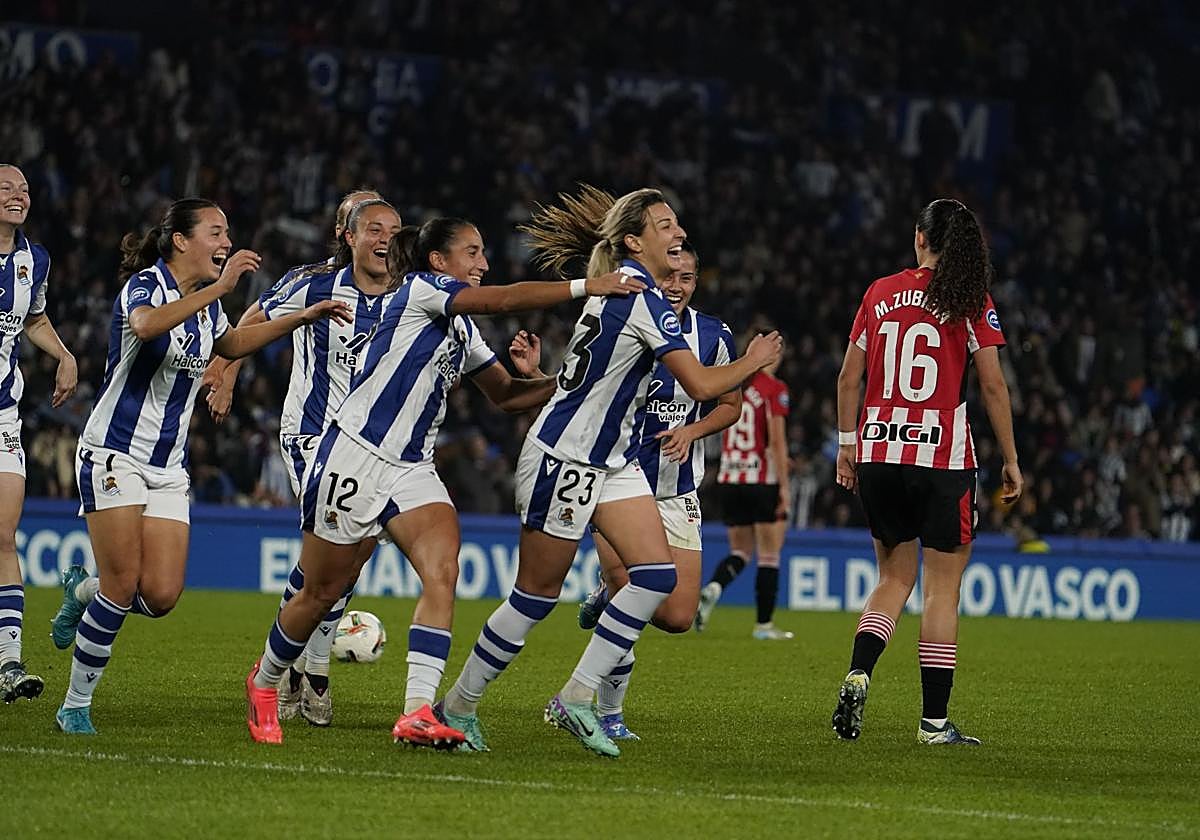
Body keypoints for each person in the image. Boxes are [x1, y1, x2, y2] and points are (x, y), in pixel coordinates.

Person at [244, 216, 644, 748]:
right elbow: (502, 300)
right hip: (354, 456)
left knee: (442, 570)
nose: (483, 264)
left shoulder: (459, 324)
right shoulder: (421, 291)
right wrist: (587, 286)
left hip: (412, 467)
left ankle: (417, 711)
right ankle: (265, 680)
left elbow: (506, 396)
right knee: (320, 591)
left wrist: (561, 380)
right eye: (472, 253)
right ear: (439, 261)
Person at [438, 185, 782, 758]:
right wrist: (753, 360)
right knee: (535, 597)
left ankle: (576, 697)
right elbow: (699, 384)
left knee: (654, 577)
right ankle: (458, 705)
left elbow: (591, 375)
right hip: (566, 456)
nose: (678, 233)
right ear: (634, 241)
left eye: (677, 224)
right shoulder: (638, 297)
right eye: (665, 225)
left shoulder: (626, 287)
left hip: (614, 459)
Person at [48, 198, 351, 735]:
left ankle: (79, 593)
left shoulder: (208, 308)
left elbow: (231, 342)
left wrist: (299, 318)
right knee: (122, 585)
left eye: (227, 233)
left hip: (167, 466)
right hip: (114, 452)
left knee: (160, 595)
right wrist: (219, 289)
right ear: (181, 241)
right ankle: (75, 704)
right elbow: (144, 328)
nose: (226, 242)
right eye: (215, 232)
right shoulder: (146, 286)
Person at [831, 198, 1022, 745]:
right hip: (940, 457)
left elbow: (849, 378)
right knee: (941, 591)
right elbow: (991, 386)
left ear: (919, 238)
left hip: (878, 451)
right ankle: (934, 724)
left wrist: (847, 446)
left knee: (892, 578)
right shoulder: (968, 300)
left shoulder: (880, 292)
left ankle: (860, 671)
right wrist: (1010, 459)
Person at [203, 192, 392, 727]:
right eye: (364, 221)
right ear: (345, 231)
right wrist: (227, 373)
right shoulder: (311, 281)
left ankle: (294, 667)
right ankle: (307, 672)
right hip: (311, 434)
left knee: (353, 555)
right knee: (326, 554)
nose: (379, 236)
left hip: (371, 445)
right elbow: (252, 320)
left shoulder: (403, 290)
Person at [563, 240, 740, 740]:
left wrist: (692, 431)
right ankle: (608, 712)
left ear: (696, 283)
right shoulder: (626, 318)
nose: (676, 286)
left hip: (677, 489)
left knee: (679, 616)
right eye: (670, 276)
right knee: (631, 594)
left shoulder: (712, 335)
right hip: (616, 479)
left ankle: (604, 595)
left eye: (686, 279)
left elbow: (730, 404)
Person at [0, 164, 77, 704]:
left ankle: (8, 662)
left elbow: (33, 318)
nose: (17, 196)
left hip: (3, 413)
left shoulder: (36, 259)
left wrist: (64, 354)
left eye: (24, 189)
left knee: (3, 536)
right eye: (5, 188)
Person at [694, 336, 793, 639]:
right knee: (769, 555)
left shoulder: (731, 382)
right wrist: (785, 488)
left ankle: (714, 586)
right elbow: (776, 442)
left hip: (729, 479)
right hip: (762, 480)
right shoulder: (774, 390)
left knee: (740, 550)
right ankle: (764, 626)